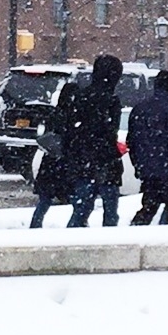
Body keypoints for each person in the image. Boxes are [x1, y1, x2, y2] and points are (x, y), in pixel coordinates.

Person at [52, 53, 124, 227]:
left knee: (81, 209)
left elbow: (70, 131)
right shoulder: (111, 101)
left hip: (83, 161)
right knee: (110, 211)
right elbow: (109, 132)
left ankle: (73, 241)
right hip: (105, 162)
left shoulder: (81, 97)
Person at [126, 69, 168, 225]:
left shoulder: (140, 109)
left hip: (149, 170)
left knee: (149, 206)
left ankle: (136, 232)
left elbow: (133, 142)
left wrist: (140, 166)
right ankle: (164, 240)